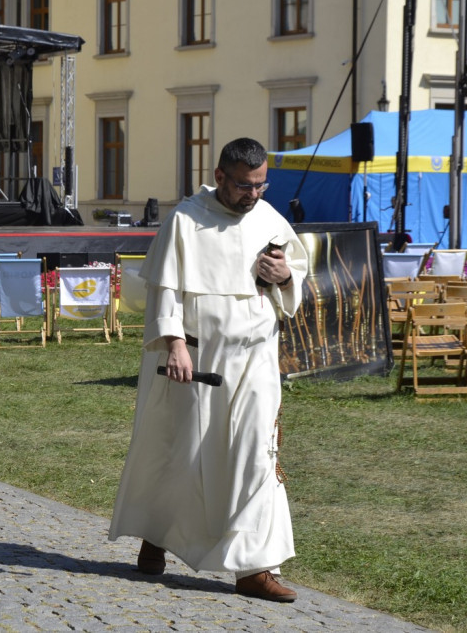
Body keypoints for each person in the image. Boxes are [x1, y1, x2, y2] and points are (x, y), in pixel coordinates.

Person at [108, 137, 309, 603]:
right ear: (220, 177)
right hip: (198, 360)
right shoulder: (185, 219)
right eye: (244, 186)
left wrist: (284, 276)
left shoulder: (269, 219)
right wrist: (174, 344)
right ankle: (156, 534)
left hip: (257, 358)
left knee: (257, 454)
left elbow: (294, 278)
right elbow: (165, 291)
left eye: (261, 186)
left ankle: (253, 568)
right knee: (184, 452)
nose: (253, 195)